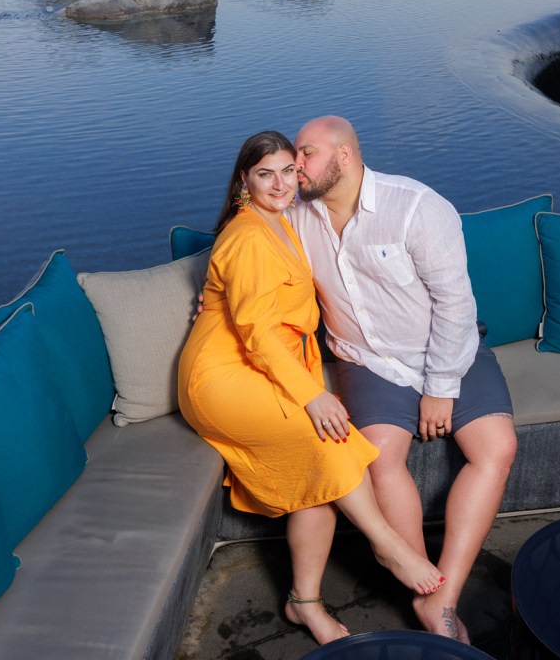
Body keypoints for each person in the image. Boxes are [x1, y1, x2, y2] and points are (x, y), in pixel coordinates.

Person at [177, 130, 445, 646]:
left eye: (287, 171)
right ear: (243, 181)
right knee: (327, 435)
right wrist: (312, 393)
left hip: (260, 366)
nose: (280, 183)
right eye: (264, 174)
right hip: (223, 377)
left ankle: (304, 604)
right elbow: (255, 332)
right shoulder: (249, 236)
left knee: (316, 487)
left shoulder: (286, 222)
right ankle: (386, 543)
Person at [289, 116, 518, 643]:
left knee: (498, 446)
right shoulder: (298, 216)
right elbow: (244, 240)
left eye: (306, 154)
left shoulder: (416, 205)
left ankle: (442, 597)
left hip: (447, 346)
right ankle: (420, 583)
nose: (295, 166)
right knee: (379, 454)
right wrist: (213, 294)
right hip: (368, 360)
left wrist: (440, 386)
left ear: (343, 156)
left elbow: (455, 303)